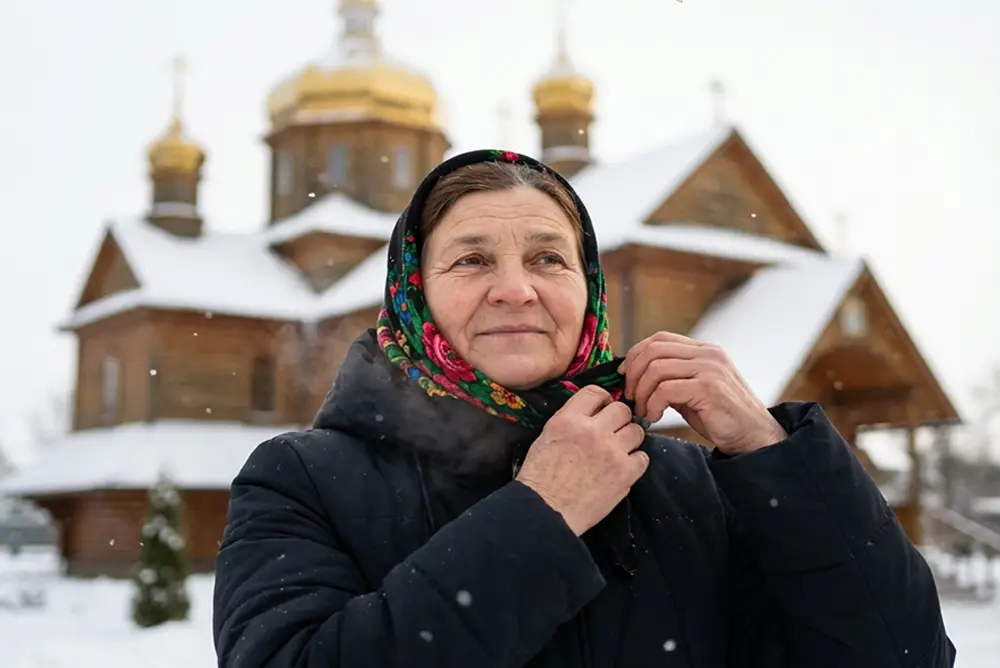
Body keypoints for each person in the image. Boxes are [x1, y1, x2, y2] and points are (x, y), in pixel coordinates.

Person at [213, 149, 956, 667]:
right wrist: (542, 514)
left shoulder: (686, 484)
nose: (516, 288)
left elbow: (900, 655)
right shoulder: (303, 480)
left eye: (548, 258)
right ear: (415, 294)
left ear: (590, 288)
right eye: (471, 259)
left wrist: (772, 456)